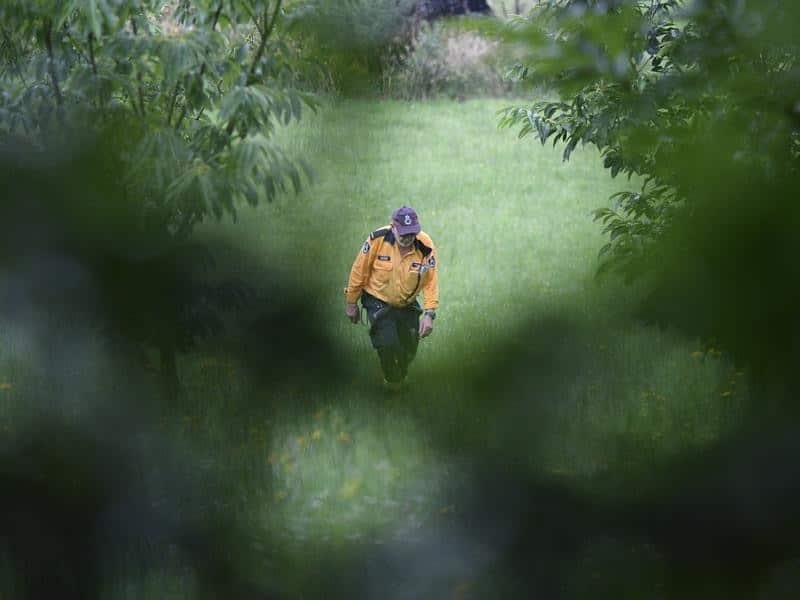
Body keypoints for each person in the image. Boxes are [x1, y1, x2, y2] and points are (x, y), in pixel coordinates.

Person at [344, 206, 438, 387]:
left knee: (408, 347)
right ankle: (392, 383)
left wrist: (429, 314)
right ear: (393, 228)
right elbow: (359, 271)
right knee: (387, 343)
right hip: (377, 300)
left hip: (407, 303)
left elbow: (431, 281)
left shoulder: (425, 245)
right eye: (403, 233)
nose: (407, 238)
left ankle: (401, 377)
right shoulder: (377, 239)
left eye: (411, 233)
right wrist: (351, 302)